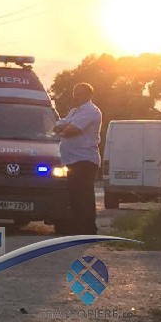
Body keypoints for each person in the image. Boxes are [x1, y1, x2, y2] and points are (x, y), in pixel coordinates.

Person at [53, 83, 102, 234]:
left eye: (79, 93)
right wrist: (62, 128)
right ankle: (78, 226)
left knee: (83, 195)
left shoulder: (90, 111)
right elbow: (58, 125)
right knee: (75, 194)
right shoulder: (75, 111)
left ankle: (87, 228)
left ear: (88, 95)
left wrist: (62, 132)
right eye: (75, 92)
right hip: (73, 160)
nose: (75, 96)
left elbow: (71, 131)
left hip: (84, 159)